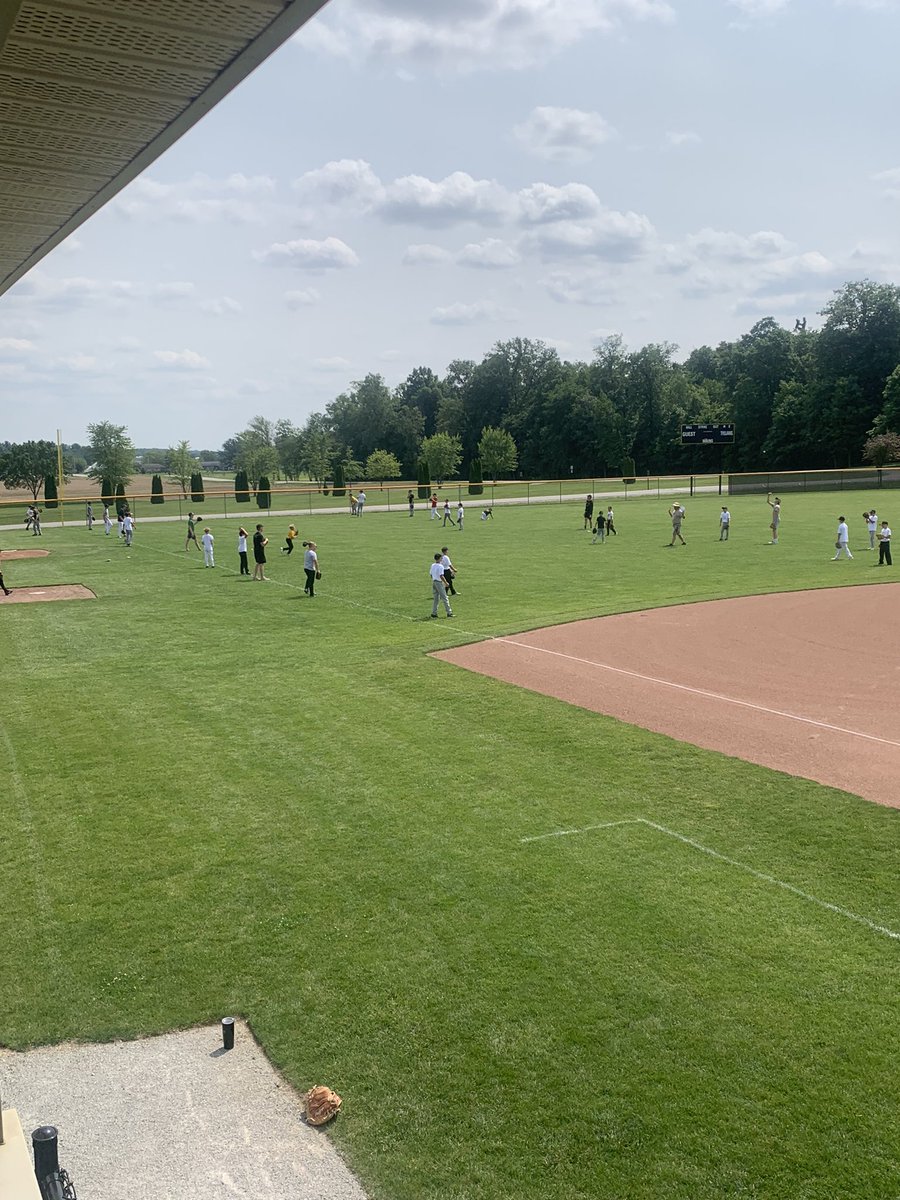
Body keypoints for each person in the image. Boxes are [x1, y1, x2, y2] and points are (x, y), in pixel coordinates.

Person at [430, 552, 452, 618]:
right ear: (439, 559)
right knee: (445, 598)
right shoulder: (440, 566)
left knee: (436, 598)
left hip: (434, 582)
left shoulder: (433, 565)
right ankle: (449, 612)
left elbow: (431, 574)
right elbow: (441, 576)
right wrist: (446, 583)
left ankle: (434, 613)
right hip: (439, 583)